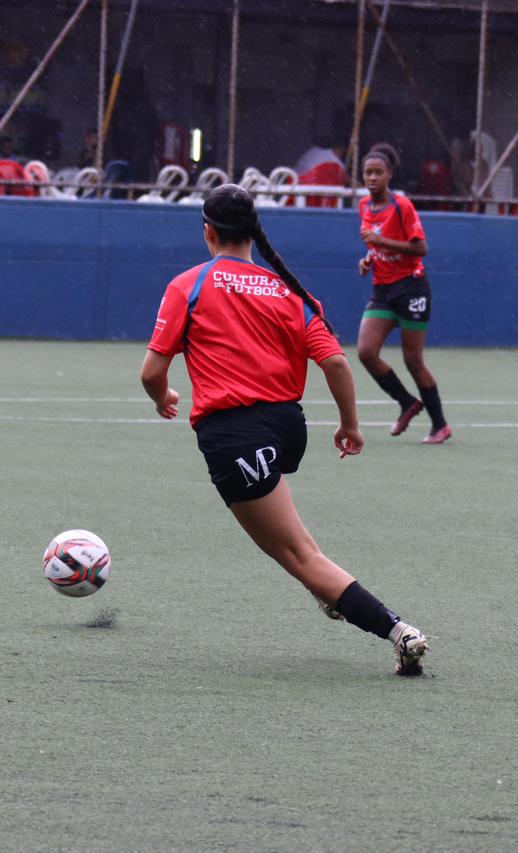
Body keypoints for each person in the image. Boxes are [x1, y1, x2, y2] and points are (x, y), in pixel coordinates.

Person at [140, 183, 429, 675]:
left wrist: (163, 396)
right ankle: (330, 591)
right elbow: (336, 364)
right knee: (292, 536)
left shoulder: (189, 285)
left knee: (299, 556)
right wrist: (350, 425)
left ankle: (397, 630)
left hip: (236, 435)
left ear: (208, 232)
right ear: (253, 232)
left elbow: (151, 372)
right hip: (288, 428)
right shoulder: (289, 291)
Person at [355, 143, 451, 444]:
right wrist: (369, 259)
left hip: (411, 288)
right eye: (368, 172)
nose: (372, 178)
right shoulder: (364, 206)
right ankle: (407, 402)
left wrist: (380, 244)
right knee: (366, 352)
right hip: (383, 290)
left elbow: (420, 248)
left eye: (378, 172)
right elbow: (375, 244)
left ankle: (440, 425)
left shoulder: (401, 206)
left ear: (390, 175)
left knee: (413, 360)